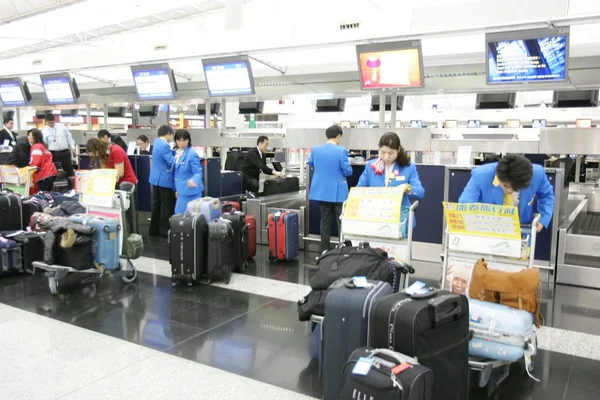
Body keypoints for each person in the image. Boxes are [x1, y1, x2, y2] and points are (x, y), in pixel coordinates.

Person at [459, 154, 554, 232]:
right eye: (506, 186)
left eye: (516, 189)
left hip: (521, 227)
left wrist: (544, 218)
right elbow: (465, 205)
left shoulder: (537, 174)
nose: (509, 192)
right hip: (487, 228)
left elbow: (546, 195)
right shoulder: (481, 175)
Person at [357, 132, 425, 230]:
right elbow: (359, 189)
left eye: (390, 153)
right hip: (374, 216)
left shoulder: (408, 167)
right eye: (383, 152)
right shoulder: (371, 166)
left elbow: (420, 192)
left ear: (398, 150)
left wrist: (407, 188)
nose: (386, 157)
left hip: (400, 219)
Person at [307, 125, 352, 254]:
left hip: (322, 191)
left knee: (325, 221)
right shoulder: (341, 151)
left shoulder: (316, 150)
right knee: (341, 221)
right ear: (338, 136)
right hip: (338, 192)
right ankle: (342, 250)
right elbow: (348, 171)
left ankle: (324, 250)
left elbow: (311, 163)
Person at [86, 138, 139, 234]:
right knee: (117, 212)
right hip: (114, 184)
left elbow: (120, 172)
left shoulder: (116, 151)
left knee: (128, 212)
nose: (95, 156)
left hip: (126, 184)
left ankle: (131, 235)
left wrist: (105, 180)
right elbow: (104, 168)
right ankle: (122, 234)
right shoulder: (103, 154)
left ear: (98, 148)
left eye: (94, 153)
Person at [149, 125, 176, 238]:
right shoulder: (165, 145)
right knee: (166, 206)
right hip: (164, 180)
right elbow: (170, 162)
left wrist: (173, 153)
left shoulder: (157, 142)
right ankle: (164, 231)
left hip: (155, 179)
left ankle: (153, 229)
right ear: (168, 133)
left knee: (156, 205)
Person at [172, 130, 204, 214]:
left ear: (188, 140)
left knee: (189, 220)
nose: (181, 143)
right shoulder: (177, 153)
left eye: (184, 140)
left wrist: (194, 180)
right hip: (182, 192)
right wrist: (178, 189)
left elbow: (198, 171)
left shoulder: (192, 154)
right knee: (179, 218)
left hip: (191, 193)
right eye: (179, 140)